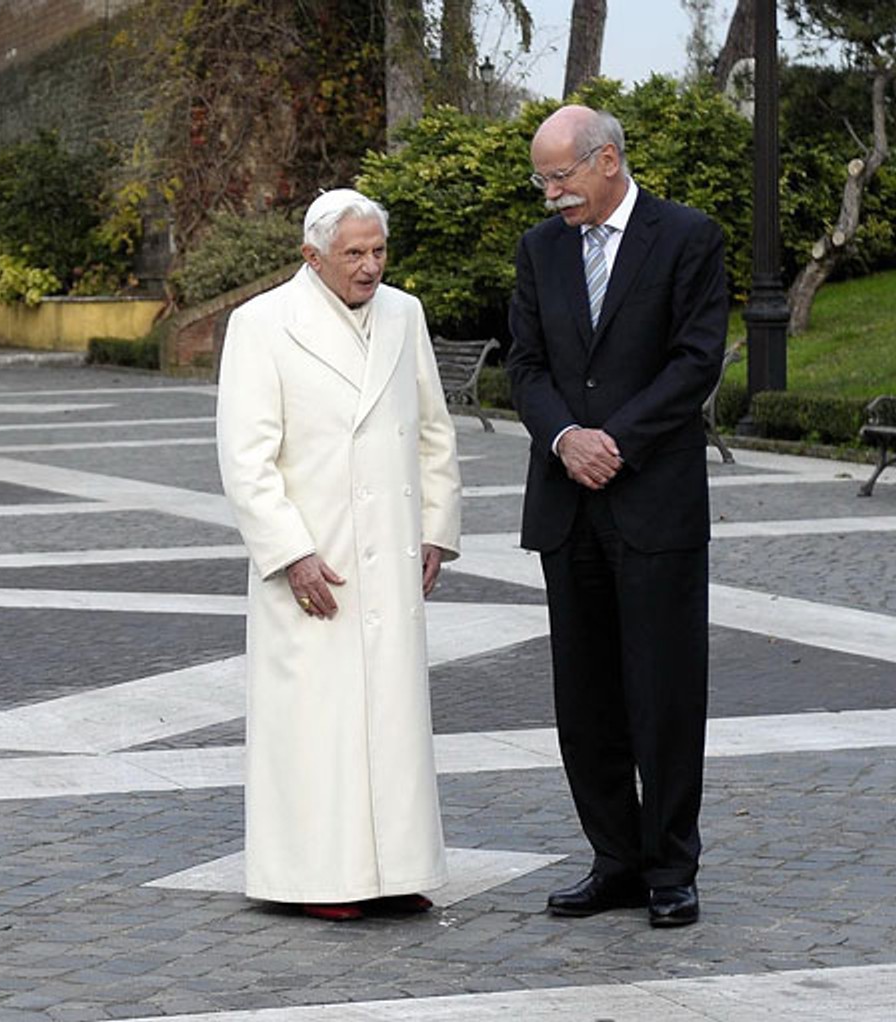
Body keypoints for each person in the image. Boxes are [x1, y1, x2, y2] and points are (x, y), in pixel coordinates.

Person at [507, 105, 728, 928]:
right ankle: (615, 859)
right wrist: (566, 437)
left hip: (654, 504)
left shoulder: (688, 237)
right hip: (568, 506)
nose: (551, 193)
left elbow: (696, 360)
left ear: (608, 162)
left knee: (665, 690)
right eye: (543, 179)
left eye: (560, 176)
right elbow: (525, 366)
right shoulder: (539, 251)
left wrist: (614, 442)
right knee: (587, 695)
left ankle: (672, 866)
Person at [216, 188, 462, 922]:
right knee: (316, 726)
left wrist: (436, 529)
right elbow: (245, 458)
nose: (370, 267)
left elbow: (433, 432)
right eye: (354, 253)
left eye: (379, 250)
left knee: (392, 722)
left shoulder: (404, 313)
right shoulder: (260, 325)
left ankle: (398, 868)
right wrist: (291, 553)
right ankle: (319, 878)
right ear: (312, 256)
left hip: (389, 553)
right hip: (314, 559)